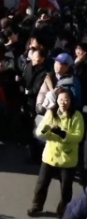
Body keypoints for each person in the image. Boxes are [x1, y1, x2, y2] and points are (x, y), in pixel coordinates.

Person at [28, 89, 85, 217]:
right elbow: (39, 132)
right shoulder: (51, 113)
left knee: (66, 189)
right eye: (60, 100)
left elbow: (78, 137)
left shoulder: (77, 116)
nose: (63, 103)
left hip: (67, 159)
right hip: (50, 156)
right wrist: (47, 129)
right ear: (57, 100)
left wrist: (62, 133)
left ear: (71, 101)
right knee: (41, 184)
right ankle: (36, 206)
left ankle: (63, 210)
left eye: (66, 100)